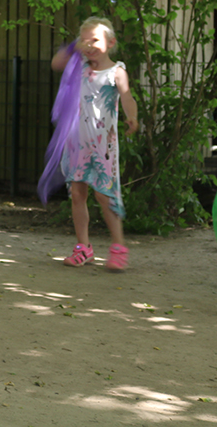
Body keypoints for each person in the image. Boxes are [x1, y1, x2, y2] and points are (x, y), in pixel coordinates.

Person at [50, 16, 139, 272]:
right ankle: (83, 248)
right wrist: (72, 48)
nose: (89, 45)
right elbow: (57, 62)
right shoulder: (77, 66)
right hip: (76, 143)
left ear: (111, 43)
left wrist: (132, 116)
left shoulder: (116, 71)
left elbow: (127, 97)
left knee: (104, 194)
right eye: (84, 40)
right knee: (77, 194)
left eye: (95, 40)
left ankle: (119, 247)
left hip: (103, 146)